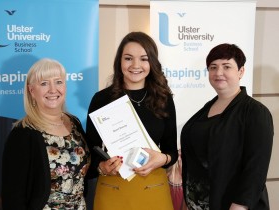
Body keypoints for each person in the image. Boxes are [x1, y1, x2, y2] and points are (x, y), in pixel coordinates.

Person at [85, 31, 178, 210]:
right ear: (119, 61)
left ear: (152, 62)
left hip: (153, 190)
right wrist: (102, 167)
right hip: (113, 190)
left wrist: (163, 158)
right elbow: (89, 151)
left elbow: (171, 152)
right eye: (128, 58)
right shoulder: (101, 99)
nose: (136, 65)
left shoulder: (163, 99)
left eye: (144, 58)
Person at [180, 43, 274, 210]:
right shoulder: (206, 109)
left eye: (226, 66)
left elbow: (256, 170)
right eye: (213, 67)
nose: (218, 72)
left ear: (241, 71)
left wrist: (239, 207)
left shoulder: (255, 112)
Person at [1, 58, 90, 210]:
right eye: (44, 83)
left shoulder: (74, 123)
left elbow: (83, 169)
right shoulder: (22, 133)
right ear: (31, 91)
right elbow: (12, 196)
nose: (53, 89)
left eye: (58, 82)